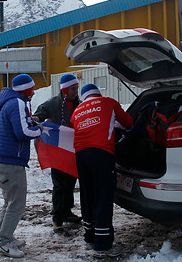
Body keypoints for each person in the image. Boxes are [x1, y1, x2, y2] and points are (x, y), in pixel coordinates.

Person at [71, 83, 133, 258]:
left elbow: (78, 128)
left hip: (81, 155)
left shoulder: (77, 111)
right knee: (103, 196)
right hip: (101, 153)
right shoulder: (108, 102)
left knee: (87, 194)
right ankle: (104, 244)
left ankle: (90, 235)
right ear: (98, 94)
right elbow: (128, 122)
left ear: (84, 97)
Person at [0, 74, 43, 258]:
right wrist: (40, 130)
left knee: (9, 202)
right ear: (26, 89)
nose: (34, 91)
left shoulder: (11, 101)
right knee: (17, 204)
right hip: (11, 163)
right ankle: (5, 241)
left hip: (4, 161)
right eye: (32, 88)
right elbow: (22, 132)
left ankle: (5, 236)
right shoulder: (17, 103)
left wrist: (33, 121)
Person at [32, 74, 82, 233]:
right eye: (73, 89)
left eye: (76, 88)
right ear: (65, 89)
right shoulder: (53, 103)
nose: (76, 91)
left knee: (70, 184)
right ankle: (57, 219)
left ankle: (67, 212)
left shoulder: (80, 105)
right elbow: (40, 113)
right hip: (58, 153)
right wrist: (38, 117)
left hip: (73, 151)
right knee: (60, 185)